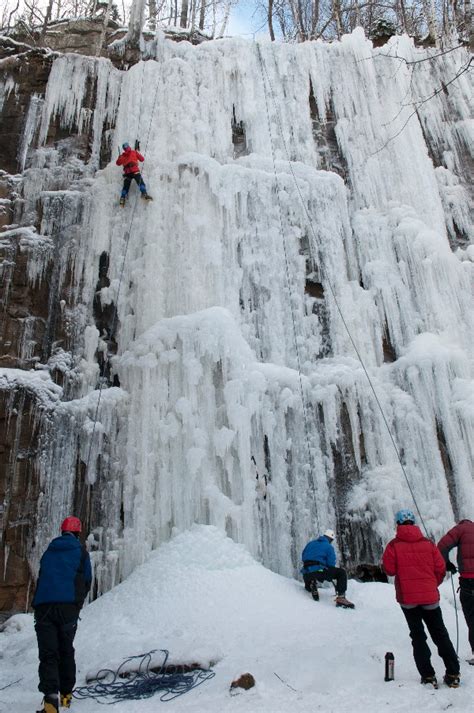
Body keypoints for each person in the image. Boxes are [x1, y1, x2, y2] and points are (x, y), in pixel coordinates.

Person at [382, 509, 460, 688]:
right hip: (430, 598)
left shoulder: (393, 545)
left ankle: (428, 676)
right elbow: (440, 568)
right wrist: (432, 586)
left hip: (408, 601)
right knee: (440, 634)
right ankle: (453, 674)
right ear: (414, 523)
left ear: (398, 524)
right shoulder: (428, 543)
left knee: (418, 636)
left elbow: (389, 570)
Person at [32, 516, 92, 713]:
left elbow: (42, 578)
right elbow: (86, 581)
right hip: (67, 608)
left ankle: (50, 702)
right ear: (77, 533)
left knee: (49, 654)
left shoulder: (49, 551)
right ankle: (66, 696)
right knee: (66, 650)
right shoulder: (81, 552)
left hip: (44, 608)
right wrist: (76, 605)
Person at [438, 519, 474, 664]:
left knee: (472, 617)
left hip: (468, 582)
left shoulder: (460, 530)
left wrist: (447, 563)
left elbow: (441, 546)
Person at [301, 528, 354, 608]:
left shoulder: (310, 543)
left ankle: (310, 584)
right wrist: (328, 573)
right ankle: (341, 598)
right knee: (341, 573)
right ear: (330, 539)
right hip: (319, 571)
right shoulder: (328, 547)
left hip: (306, 573)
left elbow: (303, 556)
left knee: (311, 577)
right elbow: (331, 564)